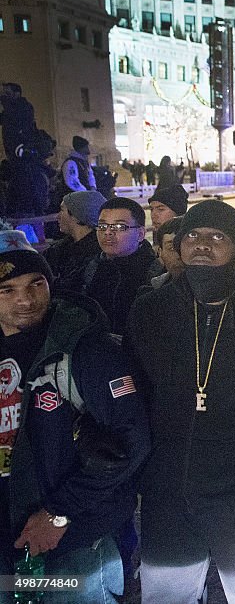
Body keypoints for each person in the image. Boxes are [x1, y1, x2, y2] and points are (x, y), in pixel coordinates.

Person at [126, 199, 235, 603]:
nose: (202, 244)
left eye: (216, 237)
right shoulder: (151, 311)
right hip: (168, 491)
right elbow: (134, 393)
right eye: (193, 236)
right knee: (166, 595)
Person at [0, 227, 150, 603]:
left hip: (71, 541)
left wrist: (59, 513)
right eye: (8, 290)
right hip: (8, 534)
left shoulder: (85, 349)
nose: (26, 299)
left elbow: (131, 439)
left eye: (37, 283)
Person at [71, 197, 156, 335]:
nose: (108, 232)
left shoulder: (154, 273)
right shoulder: (88, 267)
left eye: (119, 227)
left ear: (140, 234)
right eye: (103, 226)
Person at [44, 190, 105, 289]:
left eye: (62, 210)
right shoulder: (58, 249)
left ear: (77, 216)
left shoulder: (97, 255)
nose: (58, 216)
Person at [142, 216, 186, 293]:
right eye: (171, 248)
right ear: (160, 252)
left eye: (185, 247)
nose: (179, 255)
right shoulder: (151, 293)